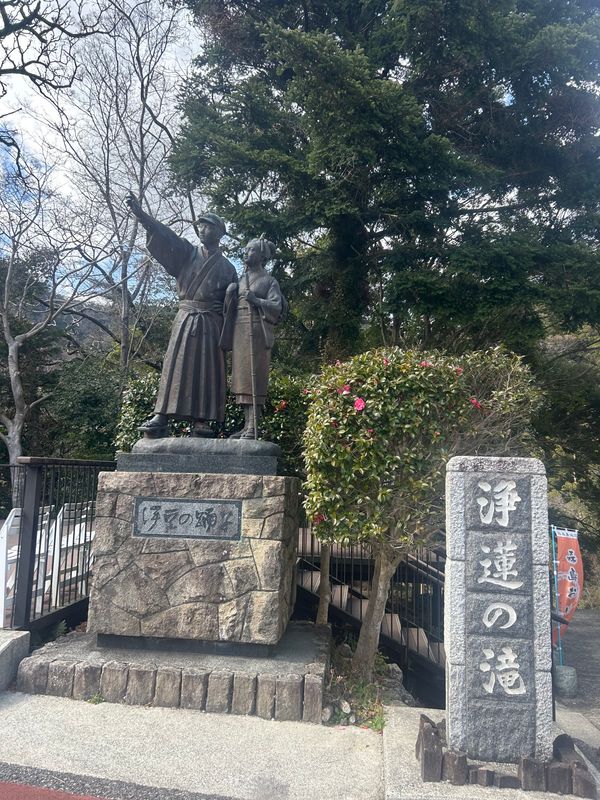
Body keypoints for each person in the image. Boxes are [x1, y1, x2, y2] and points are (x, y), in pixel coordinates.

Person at [126, 193, 237, 437]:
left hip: (211, 323)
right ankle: (161, 415)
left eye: (209, 226)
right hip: (187, 317)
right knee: (175, 365)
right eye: (202, 226)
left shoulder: (229, 268)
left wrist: (232, 299)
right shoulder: (187, 253)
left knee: (208, 370)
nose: (203, 230)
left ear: (219, 232)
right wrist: (143, 216)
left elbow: (234, 307)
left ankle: (202, 421)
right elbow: (167, 237)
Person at [221, 237, 285, 439]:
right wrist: (230, 295)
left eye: (251, 250)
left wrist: (256, 300)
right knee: (241, 378)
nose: (246, 253)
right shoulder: (241, 280)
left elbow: (277, 307)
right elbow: (228, 309)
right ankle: (246, 424)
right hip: (240, 330)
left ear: (261, 256)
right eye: (246, 250)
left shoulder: (269, 281)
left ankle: (254, 426)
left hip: (257, 330)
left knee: (254, 377)